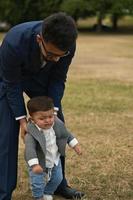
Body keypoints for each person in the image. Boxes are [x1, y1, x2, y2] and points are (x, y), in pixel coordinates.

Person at [0, 12, 85, 200]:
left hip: (41, 79)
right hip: (9, 79)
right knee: (7, 132)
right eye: (51, 54)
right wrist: (22, 120)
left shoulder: (68, 44)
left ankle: (59, 184)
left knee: (57, 127)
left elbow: (58, 78)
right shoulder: (14, 41)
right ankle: (3, 192)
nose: (56, 59)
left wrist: (52, 113)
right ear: (39, 39)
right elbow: (12, 85)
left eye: (60, 56)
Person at [25, 96, 82, 200]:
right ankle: (38, 197)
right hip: (39, 162)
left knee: (58, 178)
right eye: (42, 118)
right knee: (37, 182)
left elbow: (66, 134)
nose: (47, 121)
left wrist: (75, 145)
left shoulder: (56, 124)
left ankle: (47, 192)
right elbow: (30, 150)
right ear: (32, 119)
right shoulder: (31, 134)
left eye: (50, 117)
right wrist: (34, 164)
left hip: (54, 159)